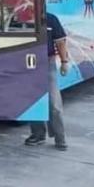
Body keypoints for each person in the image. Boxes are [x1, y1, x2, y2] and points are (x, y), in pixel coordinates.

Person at [25, 12, 69, 151]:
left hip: (47, 63)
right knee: (33, 101)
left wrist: (64, 62)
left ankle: (60, 138)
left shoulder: (50, 19)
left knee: (54, 103)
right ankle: (38, 135)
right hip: (26, 63)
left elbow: (60, 42)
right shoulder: (19, 18)